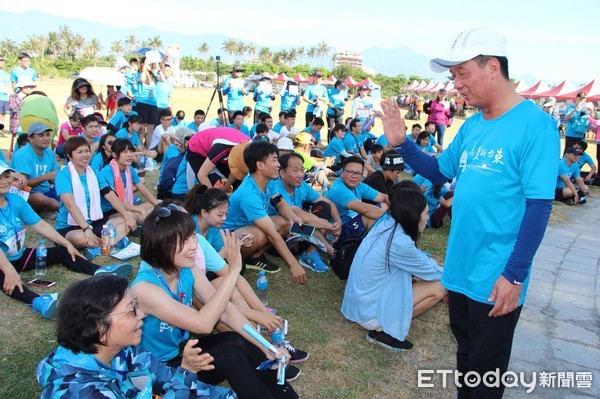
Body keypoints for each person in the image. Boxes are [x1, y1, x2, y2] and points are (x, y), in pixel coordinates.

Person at [382, 27, 559, 398]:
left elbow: (539, 206)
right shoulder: (474, 124)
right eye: (453, 76)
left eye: (463, 73)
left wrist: (514, 274)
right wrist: (403, 144)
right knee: (466, 359)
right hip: (461, 267)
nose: (456, 84)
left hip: (497, 275)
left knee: (486, 373)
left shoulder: (535, 124)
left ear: (492, 67)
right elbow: (439, 171)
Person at [131, 205, 299, 398]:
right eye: (184, 240)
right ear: (162, 244)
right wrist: (233, 271)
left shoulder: (186, 268)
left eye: (193, 236)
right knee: (230, 357)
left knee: (238, 339)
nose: (194, 245)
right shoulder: (145, 289)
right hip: (153, 370)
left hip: (181, 353)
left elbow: (224, 310)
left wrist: (267, 348)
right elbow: (202, 324)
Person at [37, 274, 236, 398]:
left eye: (136, 306)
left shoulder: (125, 351)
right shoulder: (83, 392)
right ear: (99, 328)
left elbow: (163, 381)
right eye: (131, 310)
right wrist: (185, 374)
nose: (141, 316)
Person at [0, 163, 131, 317]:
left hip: (18, 255)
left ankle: (100, 271)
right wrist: (8, 270)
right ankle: (38, 302)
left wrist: (67, 244)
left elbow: (41, 224)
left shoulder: (15, 200)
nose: (5, 181)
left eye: (7, 176)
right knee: (6, 279)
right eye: (0, 177)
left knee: (63, 251)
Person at [341, 186, 446, 350]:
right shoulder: (400, 242)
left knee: (428, 277)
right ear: (413, 216)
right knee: (439, 286)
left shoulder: (387, 222)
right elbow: (432, 272)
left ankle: (386, 324)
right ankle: (385, 331)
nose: (427, 218)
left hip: (359, 303)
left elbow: (419, 261)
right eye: (425, 213)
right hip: (370, 312)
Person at [223, 142, 308, 284]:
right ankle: (237, 260)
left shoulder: (266, 181)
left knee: (285, 222)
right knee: (262, 233)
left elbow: (280, 203)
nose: (278, 164)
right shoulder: (249, 193)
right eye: (274, 160)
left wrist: (293, 218)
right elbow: (272, 234)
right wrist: (294, 264)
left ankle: (254, 257)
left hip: (247, 229)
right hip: (229, 238)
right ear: (260, 165)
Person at [55, 136, 137, 258]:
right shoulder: (63, 175)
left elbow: (109, 194)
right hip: (70, 226)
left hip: (93, 221)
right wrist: (86, 229)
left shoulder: (93, 172)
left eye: (87, 151)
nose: (85, 155)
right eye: (79, 152)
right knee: (80, 238)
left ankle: (97, 245)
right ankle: (111, 241)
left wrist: (126, 215)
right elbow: (70, 206)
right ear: (69, 155)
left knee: (130, 217)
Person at [268, 152, 341, 262]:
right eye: (295, 170)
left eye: (302, 170)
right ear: (282, 173)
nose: (301, 174)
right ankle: (330, 250)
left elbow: (328, 202)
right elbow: (298, 214)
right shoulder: (275, 188)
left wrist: (338, 222)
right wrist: (331, 227)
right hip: (278, 238)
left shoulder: (302, 186)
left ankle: (312, 250)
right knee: (300, 222)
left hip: (299, 230)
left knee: (323, 206)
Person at [326, 156, 389, 242]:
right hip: (339, 231)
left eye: (358, 173)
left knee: (384, 205)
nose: (354, 176)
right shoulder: (339, 189)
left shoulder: (359, 186)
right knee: (368, 218)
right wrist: (394, 218)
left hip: (353, 223)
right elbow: (364, 210)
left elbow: (384, 197)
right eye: (350, 172)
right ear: (342, 172)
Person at [98, 138, 159, 225]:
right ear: (114, 154)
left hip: (123, 207)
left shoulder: (128, 168)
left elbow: (144, 190)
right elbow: (115, 201)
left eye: (131, 151)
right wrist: (138, 209)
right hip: (109, 211)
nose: (130, 155)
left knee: (156, 204)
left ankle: (149, 220)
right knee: (133, 214)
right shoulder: (107, 172)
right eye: (125, 152)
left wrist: (159, 206)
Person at [11, 122, 60, 213]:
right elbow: (21, 185)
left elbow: (54, 178)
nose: (46, 138)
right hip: (24, 194)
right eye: (41, 135)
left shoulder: (49, 152)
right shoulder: (23, 154)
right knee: (39, 198)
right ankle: (61, 208)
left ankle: (59, 207)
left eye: (47, 135)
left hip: (47, 190)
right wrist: (46, 177)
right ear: (30, 139)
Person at [0, 56, 10, 129]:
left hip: (5, 96)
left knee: (3, 114)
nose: (1, 62)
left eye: (2, 60)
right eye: (0, 60)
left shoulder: (6, 74)